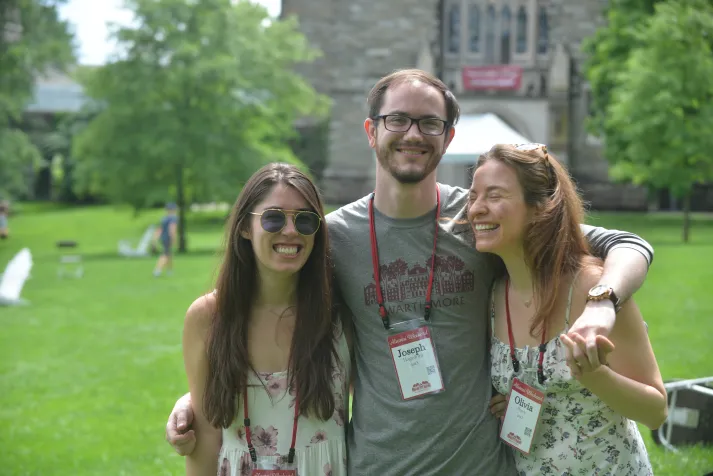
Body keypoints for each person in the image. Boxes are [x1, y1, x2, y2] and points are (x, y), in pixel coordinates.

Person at [166, 69, 655, 475]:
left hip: (480, 464)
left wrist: (602, 304)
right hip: (376, 465)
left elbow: (626, 243)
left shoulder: (482, 221)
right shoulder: (331, 238)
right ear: (371, 130)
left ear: (448, 137)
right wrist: (196, 397)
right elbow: (266, 315)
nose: (413, 134)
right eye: (397, 119)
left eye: (429, 123)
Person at [475, 144, 664, 474]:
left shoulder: (591, 288)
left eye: (494, 195)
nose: (476, 208)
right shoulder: (493, 295)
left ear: (540, 208)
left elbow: (656, 411)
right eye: (474, 195)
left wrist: (595, 376)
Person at [182, 163, 350, 476]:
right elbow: (203, 436)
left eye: (305, 220)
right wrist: (185, 406)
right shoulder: (207, 318)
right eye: (273, 218)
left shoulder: (341, 316)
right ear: (245, 226)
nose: (291, 230)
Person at [153, 202, 178, 276]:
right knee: (165, 255)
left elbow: (159, 229)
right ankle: (157, 270)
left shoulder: (164, 218)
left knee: (169, 254)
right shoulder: (173, 218)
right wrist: (174, 239)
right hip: (168, 238)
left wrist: (155, 239)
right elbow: (172, 229)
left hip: (163, 238)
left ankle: (169, 270)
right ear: (173, 210)